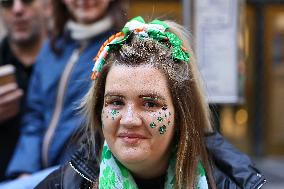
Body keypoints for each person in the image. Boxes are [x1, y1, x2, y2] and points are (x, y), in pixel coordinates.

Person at [35, 17, 266, 189]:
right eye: (115, 102)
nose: (129, 120)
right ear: (99, 112)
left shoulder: (230, 184)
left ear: (181, 114)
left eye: (150, 104)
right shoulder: (63, 184)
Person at [0, 0, 128, 188]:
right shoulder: (51, 48)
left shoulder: (120, 48)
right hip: (41, 173)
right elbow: (34, 118)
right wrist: (24, 171)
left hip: (84, 172)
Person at [0, 0, 49, 181]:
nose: (18, 9)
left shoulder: (70, 61)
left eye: (27, 0)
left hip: (59, 178)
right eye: (7, 3)